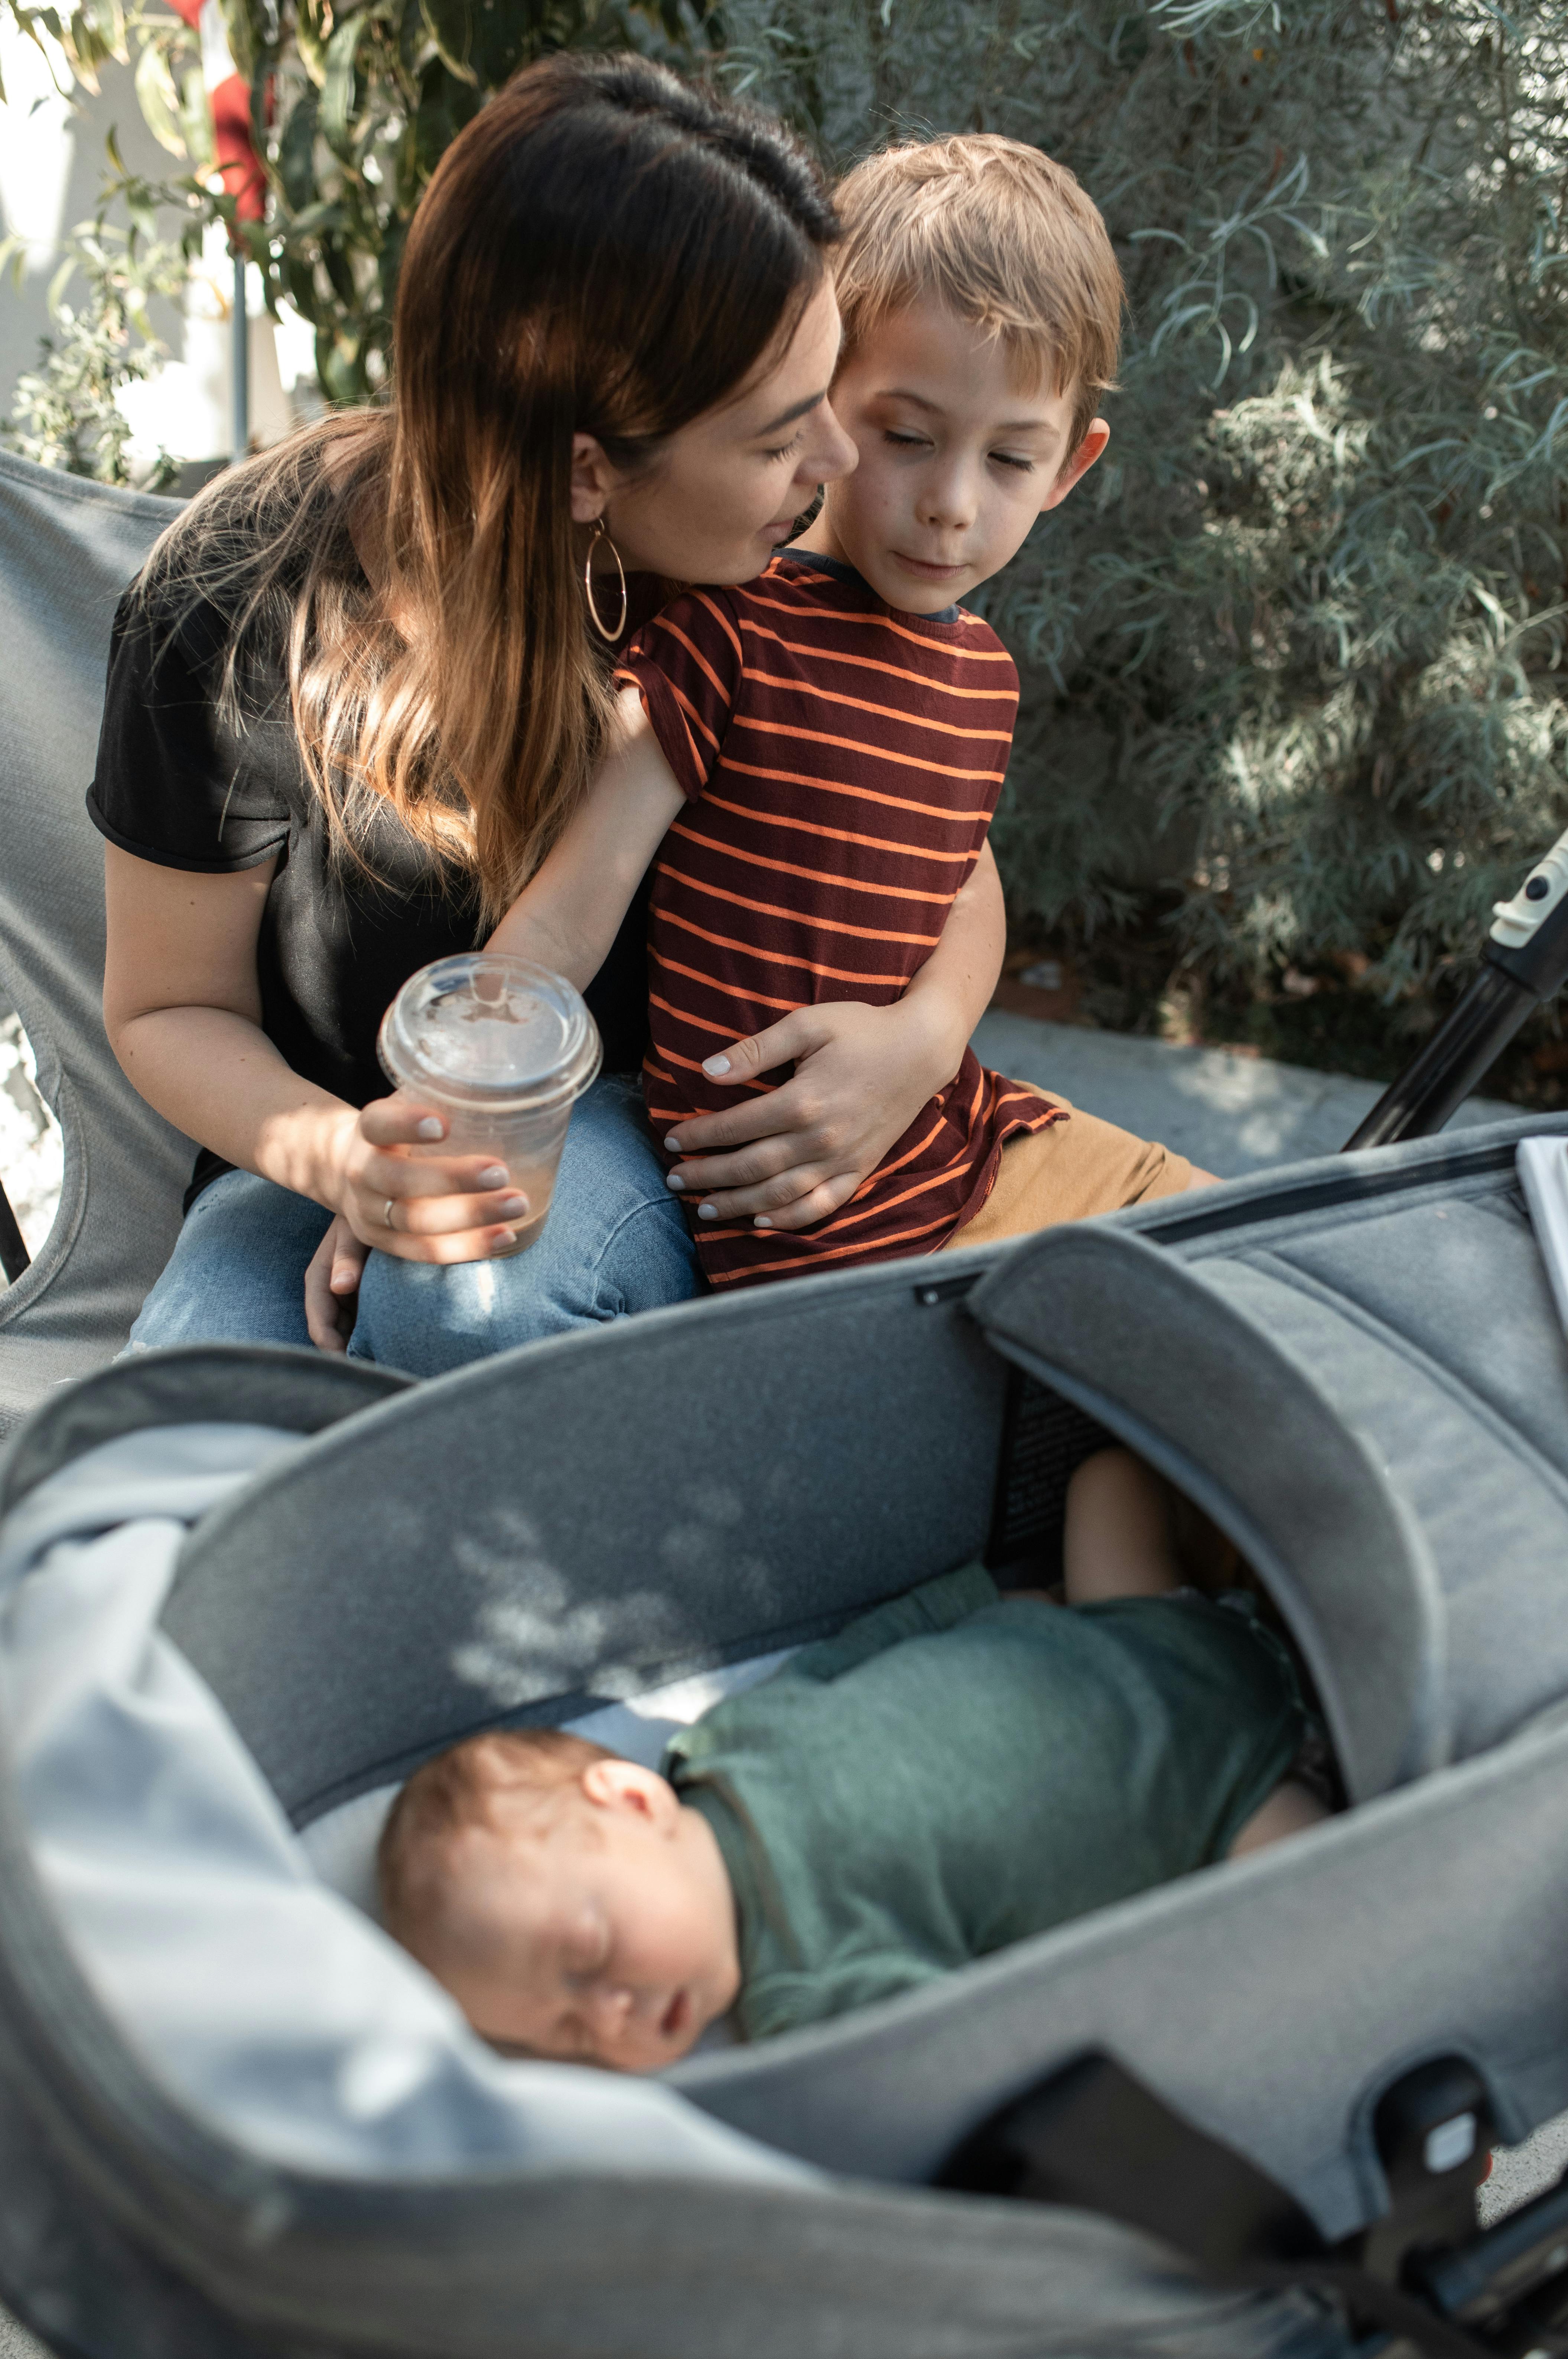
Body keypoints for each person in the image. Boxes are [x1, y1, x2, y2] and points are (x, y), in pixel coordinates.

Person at [95, 56, 1007, 1366]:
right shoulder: (235, 606)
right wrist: (346, 1160)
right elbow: (168, 1010)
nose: (838, 465)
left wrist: (920, 1044)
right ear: (586, 470)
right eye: (774, 435)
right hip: (312, 1157)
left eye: (829, 400)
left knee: (466, 1311)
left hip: (644, 1160)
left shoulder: (782, 594)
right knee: (172, 1477)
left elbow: (953, 861)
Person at [481, 133, 1207, 1293]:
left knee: (1268, 1281)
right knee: (1196, 1335)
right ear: (818, 400)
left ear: (1072, 467)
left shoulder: (981, 673)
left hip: (968, 1148)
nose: (950, 508)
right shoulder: (728, 634)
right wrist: (453, 1124)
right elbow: (565, 919)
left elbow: (962, 880)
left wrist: (925, 1044)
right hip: (816, 1235)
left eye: (1012, 460)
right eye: (906, 438)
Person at [378, 1447, 1325, 2072]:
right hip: (1219, 1793)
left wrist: (982, 1603)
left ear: (630, 1798)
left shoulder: (718, 1744)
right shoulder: (809, 1993)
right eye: (572, 2035)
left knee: (1102, 1474)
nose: (614, 2010)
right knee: (1329, 1903)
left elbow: (847, 1656)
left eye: (585, 1957)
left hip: (1121, 1621)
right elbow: (989, 2042)